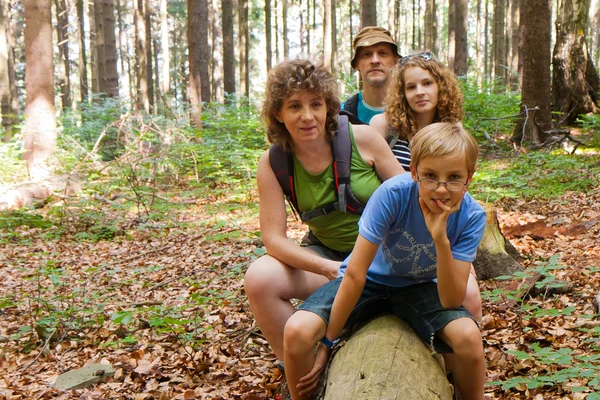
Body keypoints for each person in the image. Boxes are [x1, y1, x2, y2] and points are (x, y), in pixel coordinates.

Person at [284, 122, 486, 400]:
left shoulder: (472, 216)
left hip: (419, 286)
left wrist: (441, 239)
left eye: (453, 177)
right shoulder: (393, 195)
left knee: (469, 337)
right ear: (413, 171)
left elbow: (451, 300)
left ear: (469, 178)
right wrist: (327, 343)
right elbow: (356, 273)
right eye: (429, 175)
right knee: (297, 331)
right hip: (369, 283)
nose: (441, 190)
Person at [244, 59, 405, 372]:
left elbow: (409, 201)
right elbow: (274, 239)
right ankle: (296, 368)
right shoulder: (273, 162)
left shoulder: (364, 140)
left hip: (384, 258)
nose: (307, 116)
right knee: (260, 279)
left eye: (315, 104)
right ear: (278, 113)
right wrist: (327, 267)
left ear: (328, 107)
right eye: (294, 106)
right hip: (332, 261)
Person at [371, 52, 483, 321]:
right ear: (401, 92)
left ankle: (457, 356)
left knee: (469, 297)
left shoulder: (453, 130)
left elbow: (458, 187)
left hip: (442, 228)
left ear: (440, 86)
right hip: (393, 227)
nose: (419, 92)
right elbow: (369, 180)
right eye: (410, 87)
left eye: (427, 83)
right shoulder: (385, 126)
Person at [341, 26, 401, 124]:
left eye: (382, 53)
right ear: (356, 64)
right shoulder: (343, 114)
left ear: (395, 61)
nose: (375, 61)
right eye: (367, 54)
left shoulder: (412, 108)